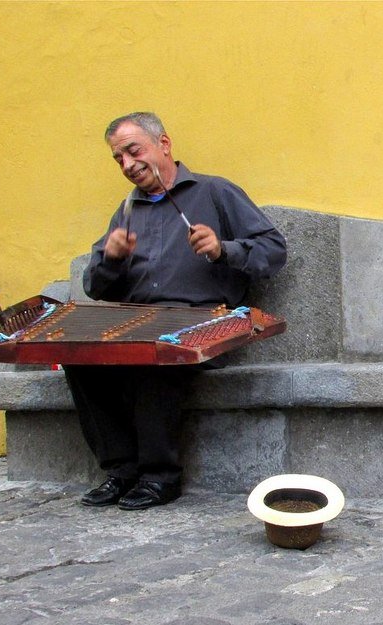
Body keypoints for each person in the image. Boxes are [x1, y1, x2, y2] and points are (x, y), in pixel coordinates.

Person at [64, 112, 287, 511]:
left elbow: (274, 250)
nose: (128, 165)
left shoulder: (214, 192)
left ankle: (159, 477)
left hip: (202, 323)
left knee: (154, 353)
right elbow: (95, 288)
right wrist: (110, 260)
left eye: (134, 152)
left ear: (163, 144)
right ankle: (121, 470)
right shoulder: (127, 210)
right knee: (79, 357)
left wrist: (223, 249)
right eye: (119, 159)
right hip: (139, 322)